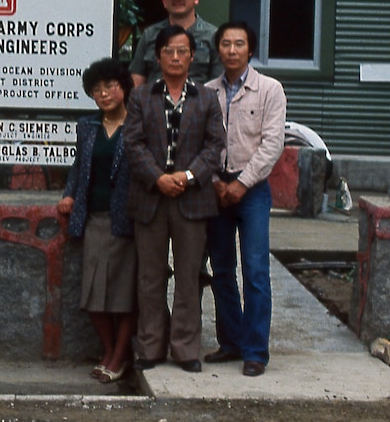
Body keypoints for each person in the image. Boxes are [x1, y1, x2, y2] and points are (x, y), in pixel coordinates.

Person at [124, 25, 224, 373]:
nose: (176, 57)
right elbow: (132, 144)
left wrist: (188, 176)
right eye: (169, 51)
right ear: (158, 56)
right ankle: (150, 347)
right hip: (150, 197)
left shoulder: (207, 98)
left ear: (193, 57)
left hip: (192, 198)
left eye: (183, 51)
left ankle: (185, 349)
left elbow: (215, 146)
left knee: (189, 276)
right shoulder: (140, 97)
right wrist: (159, 178)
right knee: (150, 277)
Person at [203, 21, 287, 377]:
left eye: (239, 43)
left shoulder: (269, 89)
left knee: (255, 271)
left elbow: (272, 145)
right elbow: (198, 144)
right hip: (215, 190)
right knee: (222, 269)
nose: (232, 50)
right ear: (218, 49)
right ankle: (231, 341)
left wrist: (241, 184)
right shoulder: (206, 92)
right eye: (226, 43)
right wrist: (215, 183)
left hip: (252, 191)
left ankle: (255, 351)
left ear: (250, 50)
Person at [56, 58, 137, 384]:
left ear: (124, 87)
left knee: (123, 295)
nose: (104, 94)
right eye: (96, 89)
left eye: (110, 86)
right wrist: (69, 195)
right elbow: (79, 167)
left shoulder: (138, 125)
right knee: (92, 294)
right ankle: (111, 351)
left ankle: (118, 357)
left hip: (127, 221)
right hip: (93, 218)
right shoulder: (87, 126)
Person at [129, 0, 222, 87]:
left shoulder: (213, 36)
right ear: (164, 1)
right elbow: (137, 79)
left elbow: (218, 83)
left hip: (198, 103)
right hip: (154, 103)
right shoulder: (150, 35)